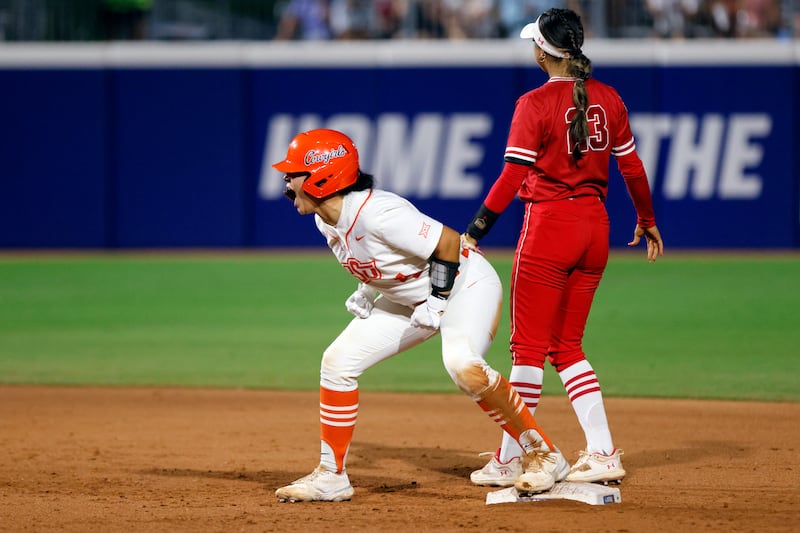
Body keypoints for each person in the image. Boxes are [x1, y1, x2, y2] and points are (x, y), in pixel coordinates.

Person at [271, 128, 569, 502]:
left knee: (462, 365)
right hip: (413, 297)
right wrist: (367, 290)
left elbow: (447, 244)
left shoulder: (378, 213)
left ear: (322, 176)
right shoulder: (324, 218)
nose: (286, 180)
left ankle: (544, 453)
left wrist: (438, 301)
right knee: (337, 362)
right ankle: (331, 476)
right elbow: (380, 260)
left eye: (293, 173)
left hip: (464, 285)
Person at [462, 8, 664, 488]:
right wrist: (649, 221)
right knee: (565, 346)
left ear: (541, 51)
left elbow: (513, 176)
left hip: (549, 228)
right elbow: (632, 170)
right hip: (596, 228)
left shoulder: (533, 104)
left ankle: (515, 458)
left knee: (527, 350)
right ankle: (601, 451)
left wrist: (475, 229)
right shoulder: (609, 98)